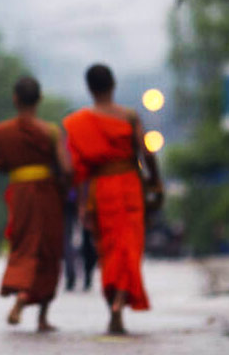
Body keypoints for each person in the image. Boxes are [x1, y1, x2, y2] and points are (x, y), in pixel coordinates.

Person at [63, 64, 162, 335]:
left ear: (89, 88)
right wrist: (155, 181)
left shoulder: (80, 122)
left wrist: (82, 204)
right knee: (128, 246)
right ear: (113, 85)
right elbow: (147, 153)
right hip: (129, 185)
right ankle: (119, 299)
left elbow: (79, 169)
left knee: (108, 250)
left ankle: (113, 305)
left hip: (101, 189)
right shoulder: (128, 116)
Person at [0, 76, 70, 332]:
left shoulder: (1, 132)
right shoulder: (51, 131)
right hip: (47, 194)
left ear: (15, 99)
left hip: (20, 194)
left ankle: (22, 294)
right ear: (40, 99)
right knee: (48, 248)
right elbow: (66, 168)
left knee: (24, 244)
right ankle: (42, 316)